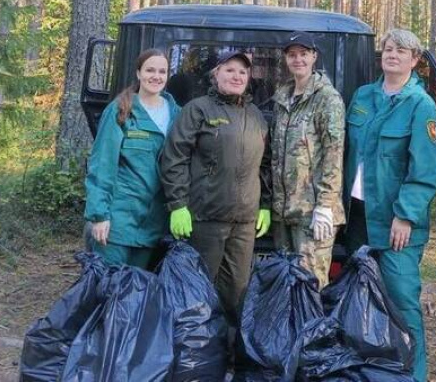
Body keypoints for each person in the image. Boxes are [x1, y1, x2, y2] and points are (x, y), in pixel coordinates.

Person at [343, 28, 436, 381]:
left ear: (415, 60)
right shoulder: (364, 96)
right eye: (387, 49)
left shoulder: (421, 105)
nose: (392, 54)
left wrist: (405, 215)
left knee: (402, 302)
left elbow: (425, 170)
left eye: (401, 50)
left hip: (396, 223)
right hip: (357, 217)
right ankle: (366, 369)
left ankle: (414, 375)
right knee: (360, 297)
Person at [159, 50, 271, 325]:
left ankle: (230, 358)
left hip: (244, 222)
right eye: (230, 70)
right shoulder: (197, 109)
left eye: (242, 72)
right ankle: (195, 358)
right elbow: (174, 157)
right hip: (205, 219)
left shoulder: (256, 116)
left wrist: (265, 205)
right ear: (215, 74)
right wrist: (178, 205)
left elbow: (266, 164)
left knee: (237, 294)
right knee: (198, 292)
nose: (237, 76)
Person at [83, 49, 181, 269]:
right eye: (150, 70)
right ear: (138, 73)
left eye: (162, 71)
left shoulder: (178, 115)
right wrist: (99, 215)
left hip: (153, 225)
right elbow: (102, 165)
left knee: (136, 293)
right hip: (118, 221)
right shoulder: (121, 110)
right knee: (107, 289)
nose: (156, 76)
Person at [270, 31, 345, 290]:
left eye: (304, 54)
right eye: (292, 55)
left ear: (314, 56)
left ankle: (311, 332)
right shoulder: (282, 98)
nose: (298, 59)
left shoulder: (327, 98)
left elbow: (334, 154)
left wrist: (325, 205)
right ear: (286, 60)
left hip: (313, 212)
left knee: (310, 286)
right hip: (283, 211)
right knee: (285, 285)